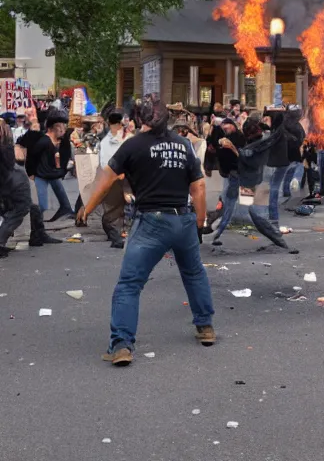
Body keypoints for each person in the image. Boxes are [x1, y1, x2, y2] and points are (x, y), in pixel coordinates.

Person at [77, 99, 215, 367]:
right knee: (194, 272)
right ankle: (205, 327)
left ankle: (121, 345)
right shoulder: (183, 145)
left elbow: (106, 181)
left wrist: (87, 207)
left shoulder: (133, 146)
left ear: (140, 120)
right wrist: (198, 224)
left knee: (130, 283)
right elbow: (198, 187)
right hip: (182, 218)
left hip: (151, 221)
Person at [213, 116, 299, 252]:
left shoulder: (262, 143)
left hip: (259, 182)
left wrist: (232, 148)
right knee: (236, 205)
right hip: (249, 181)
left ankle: (281, 242)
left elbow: (249, 158)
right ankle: (216, 234)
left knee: (257, 214)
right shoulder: (258, 141)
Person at [0, 121, 61, 258]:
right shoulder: (6, 146)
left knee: (30, 207)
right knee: (19, 210)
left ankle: (38, 235)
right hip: (10, 184)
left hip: (10, 183)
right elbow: (15, 160)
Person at [27, 109, 76, 222]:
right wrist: (31, 173)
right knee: (43, 205)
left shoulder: (56, 141)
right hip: (42, 175)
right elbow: (32, 156)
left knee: (59, 189)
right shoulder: (43, 141)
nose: (63, 130)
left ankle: (66, 208)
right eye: (61, 128)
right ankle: (36, 226)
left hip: (50, 173)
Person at [96, 109, 132, 249]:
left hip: (124, 176)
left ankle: (120, 230)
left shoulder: (125, 138)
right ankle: (114, 232)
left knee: (125, 204)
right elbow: (105, 163)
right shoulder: (106, 141)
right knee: (113, 208)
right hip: (115, 177)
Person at [266, 110, 305, 226]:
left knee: (274, 185)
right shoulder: (297, 126)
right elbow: (302, 137)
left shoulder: (279, 129)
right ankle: (290, 188)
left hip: (280, 160)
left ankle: (273, 213)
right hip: (292, 157)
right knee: (294, 169)